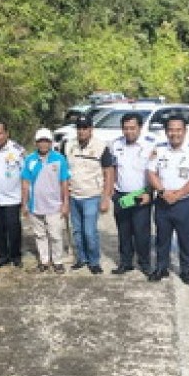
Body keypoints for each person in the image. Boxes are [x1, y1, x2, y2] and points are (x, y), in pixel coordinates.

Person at [148, 115, 189, 285]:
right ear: (166, 132)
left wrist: (178, 194)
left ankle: (186, 270)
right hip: (163, 200)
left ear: (185, 131)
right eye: (171, 130)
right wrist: (162, 191)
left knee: (186, 239)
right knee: (162, 237)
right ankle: (161, 268)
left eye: (178, 130)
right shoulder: (158, 148)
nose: (175, 133)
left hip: (186, 203)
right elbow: (151, 173)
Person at [63, 114, 114, 275]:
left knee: (89, 231)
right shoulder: (68, 145)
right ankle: (82, 258)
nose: (82, 131)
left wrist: (106, 197)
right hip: (73, 195)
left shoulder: (101, 147)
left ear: (91, 129)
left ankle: (94, 261)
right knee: (77, 231)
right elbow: (63, 171)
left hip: (92, 196)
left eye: (85, 128)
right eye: (79, 128)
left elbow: (109, 172)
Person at [110, 112, 156, 275]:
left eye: (132, 128)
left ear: (140, 128)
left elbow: (154, 172)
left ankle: (144, 263)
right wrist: (111, 193)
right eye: (125, 128)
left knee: (141, 232)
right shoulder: (115, 144)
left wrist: (150, 192)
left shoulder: (150, 145)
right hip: (121, 194)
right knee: (123, 231)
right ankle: (126, 262)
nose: (129, 132)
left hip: (141, 194)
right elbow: (112, 169)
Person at [21, 128, 70, 273]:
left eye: (46, 141)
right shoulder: (30, 160)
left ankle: (58, 261)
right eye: (40, 141)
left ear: (51, 142)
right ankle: (44, 261)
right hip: (35, 205)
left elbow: (64, 182)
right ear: (36, 143)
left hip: (54, 205)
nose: (43, 144)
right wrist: (24, 203)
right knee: (40, 235)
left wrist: (65, 203)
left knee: (55, 235)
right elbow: (25, 183)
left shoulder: (59, 159)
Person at [0, 121, 25, 268]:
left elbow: (25, 174)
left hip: (12, 198)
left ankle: (15, 256)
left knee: (14, 228)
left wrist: (26, 198)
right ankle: (2, 257)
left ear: (7, 134)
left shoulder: (17, 150)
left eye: (0, 133)